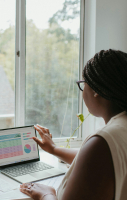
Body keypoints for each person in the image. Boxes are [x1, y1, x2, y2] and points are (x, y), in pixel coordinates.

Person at [20, 49, 127, 200]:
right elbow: (93, 162)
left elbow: (96, 157)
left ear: (96, 90)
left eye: (83, 84)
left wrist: (46, 194)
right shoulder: (119, 132)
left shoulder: (103, 140)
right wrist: (54, 149)